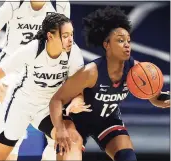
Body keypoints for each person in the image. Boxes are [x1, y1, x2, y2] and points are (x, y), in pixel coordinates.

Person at [49, 7, 170, 161]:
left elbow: (154, 96)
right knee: (69, 154)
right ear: (107, 44)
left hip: (107, 120)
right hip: (77, 121)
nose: (127, 44)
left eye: (128, 40)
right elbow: (56, 100)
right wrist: (60, 129)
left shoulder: (136, 69)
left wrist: (164, 98)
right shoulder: (91, 72)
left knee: (128, 157)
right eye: (120, 40)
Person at [0, 13, 85, 161]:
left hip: (48, 108)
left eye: (72, 34)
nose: (70, 40)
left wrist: (77, 99)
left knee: (70, 139)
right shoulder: (32, 50)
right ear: (50, 36)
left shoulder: (73, 53)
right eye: (65, 35)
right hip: (20, 105)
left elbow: (78, 86)